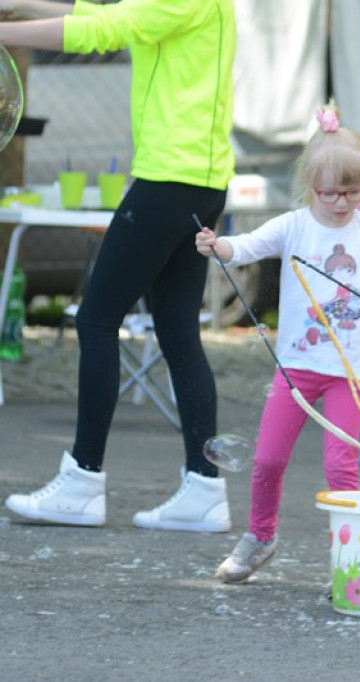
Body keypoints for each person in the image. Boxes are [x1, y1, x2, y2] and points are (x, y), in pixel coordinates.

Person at [1, 0, 237, 532]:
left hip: (171, 179)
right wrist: (16, 5)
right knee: (178, 334)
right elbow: (102, 11)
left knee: (97, 320)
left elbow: (104, 29)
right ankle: (204, 490)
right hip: (194, 178)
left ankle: (83, 481)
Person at [196, 105, 360, 584]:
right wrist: (218, 245)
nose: (342, 202)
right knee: (268, 459)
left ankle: (348, 561)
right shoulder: (294, 226)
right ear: (310, 186)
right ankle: (260, 536)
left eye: (354, 192)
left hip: (351, 371)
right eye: (330, 192)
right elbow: (243, 246)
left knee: (340, 466)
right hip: (296, 365)